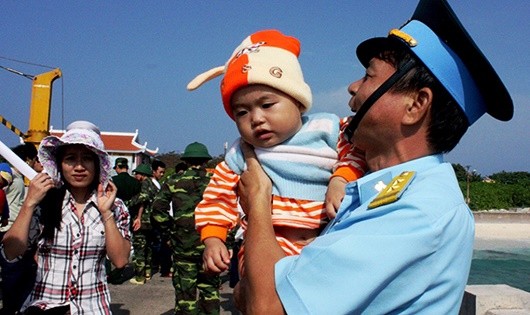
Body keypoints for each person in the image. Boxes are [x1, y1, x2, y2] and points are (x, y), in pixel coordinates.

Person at [233, 0, 513, 313]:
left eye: (368, 77)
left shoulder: (413, 211)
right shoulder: (385, 194)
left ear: (415, 105)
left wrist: (258, 201)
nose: (352, 87)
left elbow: (266, 306)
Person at [187, 29, 367, 275]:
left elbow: (357, 151)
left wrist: (341, 178)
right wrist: (213, 238)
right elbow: (217, 197)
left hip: (327, 236)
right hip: (267, 242)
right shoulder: (241, 153)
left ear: (297, 100)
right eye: (242, 112)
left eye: (267, 105)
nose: (257, 119)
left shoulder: (327, 127)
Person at [1, 120, 131, 314]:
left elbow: (120, 260)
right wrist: (29, 203)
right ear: (60, 164)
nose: (79, 166)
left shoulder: (115, 206)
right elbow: (11, 252)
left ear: (97, 164)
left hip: (93, 307)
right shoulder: (44, 203)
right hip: (44, 305)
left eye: (87, 158)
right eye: (70, 158)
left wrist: (106, 213)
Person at [151, 142, 220, 315]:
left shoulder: (173, 181)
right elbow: (229, 211)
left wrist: (169, 232)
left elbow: (157, 210)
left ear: (186, 160)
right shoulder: (215, 182)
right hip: (210, 244)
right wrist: (226, 241)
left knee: (185, 292)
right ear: (205, 161)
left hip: (182, 244)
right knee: (210, 289)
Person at [128, 163, 158, 284]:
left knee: (139, 248)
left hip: (143, 220)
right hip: (152, 221)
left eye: (137, 174)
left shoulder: (145, 184)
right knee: (148, 248)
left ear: (142, 175)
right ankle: (147, 271)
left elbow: (143, 199)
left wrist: (129, 202)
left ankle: (139, 277)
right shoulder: (153, 185)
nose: (136, 176)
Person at [149, 159, 172, 277]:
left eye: (163, 172)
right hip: (154, 219)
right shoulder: (150, 184)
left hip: (158, 219)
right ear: (153, 171)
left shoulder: (160, 184)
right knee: (158, 244)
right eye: (160, 172)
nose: (162, 175)